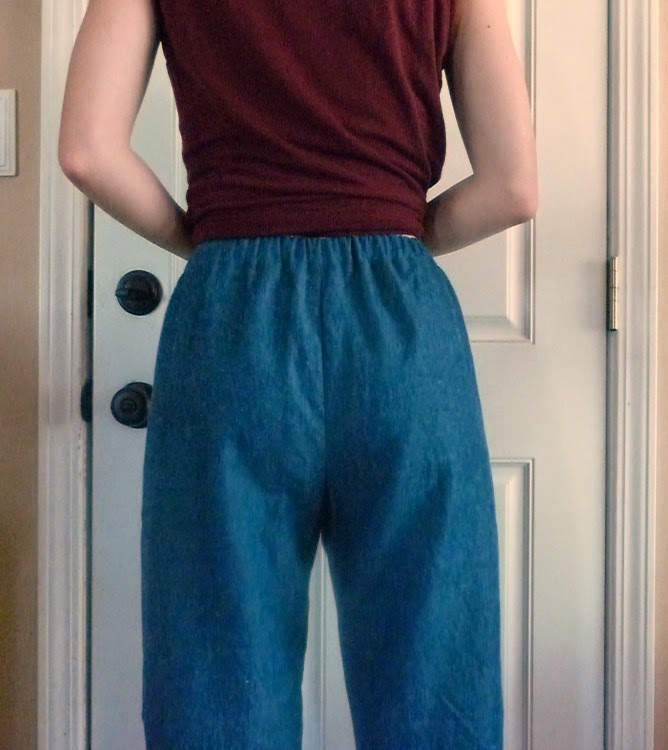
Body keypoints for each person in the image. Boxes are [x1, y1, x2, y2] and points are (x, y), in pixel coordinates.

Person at [59, 0, 537, 746]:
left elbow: (87, 151)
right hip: (402, 329)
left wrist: (210, 241)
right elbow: (514, 185)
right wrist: (391, 230)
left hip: (230, 320)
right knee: (434, 672)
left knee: (217, 678)